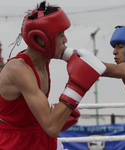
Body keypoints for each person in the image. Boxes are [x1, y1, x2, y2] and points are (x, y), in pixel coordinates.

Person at [0, 1, 106, 150]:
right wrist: (76, 89)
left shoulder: (45, 59)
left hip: (42, 136)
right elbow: (52, 126)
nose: (65, 40)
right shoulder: (19, 70)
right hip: (16, 143)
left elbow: (95, 65)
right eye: (61, 35)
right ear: (43, 39)